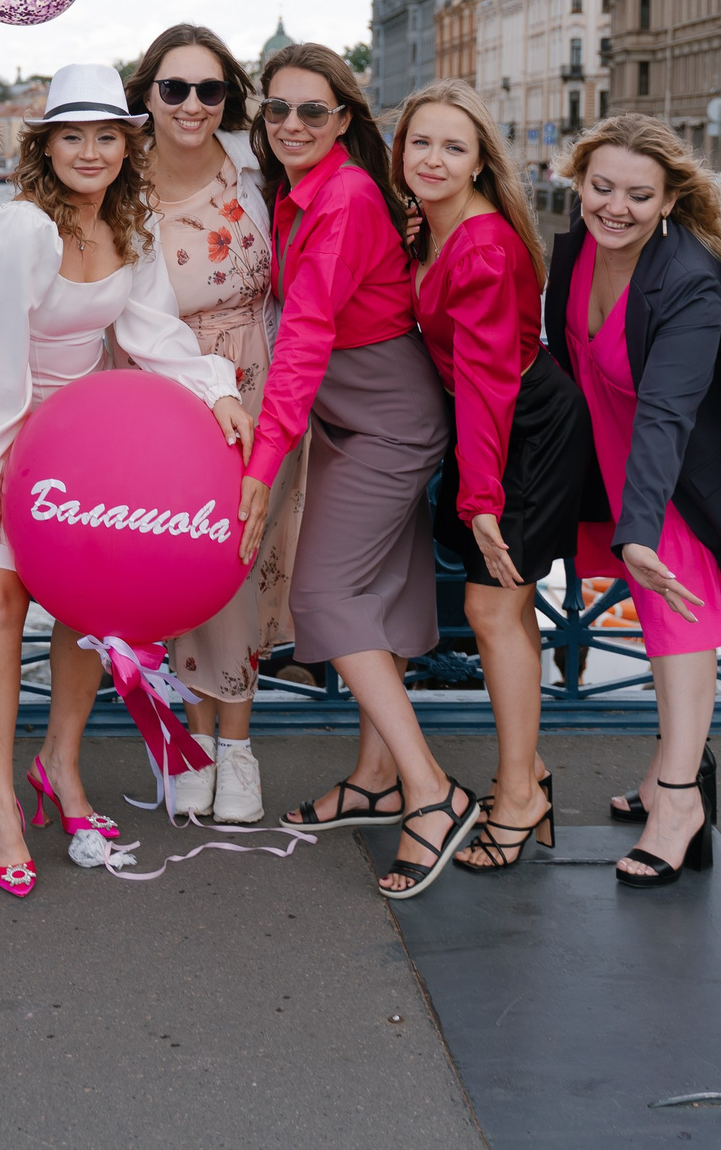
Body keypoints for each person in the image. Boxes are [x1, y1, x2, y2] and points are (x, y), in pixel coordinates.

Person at [0, 63, 251, 897]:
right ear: (46, 146)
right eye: (73, 136)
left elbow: (153, 334)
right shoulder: (16, 228)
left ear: (129, 144)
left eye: (108, 136)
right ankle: (2, 804)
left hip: (84, 444)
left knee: (91, 614)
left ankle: (61, 764)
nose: (92, 151)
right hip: (6, 434)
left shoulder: (134, 223)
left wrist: (218, 392)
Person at [239, 44, 474, 901]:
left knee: (326, 594)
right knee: (384, 590)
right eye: (277, 110)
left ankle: (430, 789)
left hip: (388, 419)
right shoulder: (302, 189)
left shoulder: (341, 196)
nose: (292, 124)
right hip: (361, 414)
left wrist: (265, 465)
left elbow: (303, 337)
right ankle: (377, 776)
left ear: (344, 119)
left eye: (312, 111)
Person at [546, 115, 721, 888]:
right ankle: (665, 774)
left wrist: (639, 525)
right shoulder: (575, 248)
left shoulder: (690, 275)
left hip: (675, 469)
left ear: (671, 196)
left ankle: (679, 801)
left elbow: (668, 412)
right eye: (601, 187)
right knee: (654, 617)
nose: (616, 207)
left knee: (681, 622)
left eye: (639, 195)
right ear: (578, 180)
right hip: (611, 457)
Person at [393, 81, 602, 874]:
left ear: (482, 159)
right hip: (493, 425)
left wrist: (481, 500)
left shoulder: (478, 244)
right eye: (421, 143)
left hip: (524, 426)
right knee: (501, 611)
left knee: (491, 607)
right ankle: (527, 776)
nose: (434, 159)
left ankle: (519, 793)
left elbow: (485, 380)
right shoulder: (430, 226)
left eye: (454, 146)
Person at [124, 24, 297, 824]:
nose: (192, 104)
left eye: (210, 89)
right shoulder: (118, 178)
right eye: (174, 88)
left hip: (256, 386)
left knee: (243, 561)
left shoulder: (257, 168)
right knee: (183, 564)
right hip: (162, 389)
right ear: (147, 94)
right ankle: (195, 743)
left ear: (229, 96)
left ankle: (238, 745)